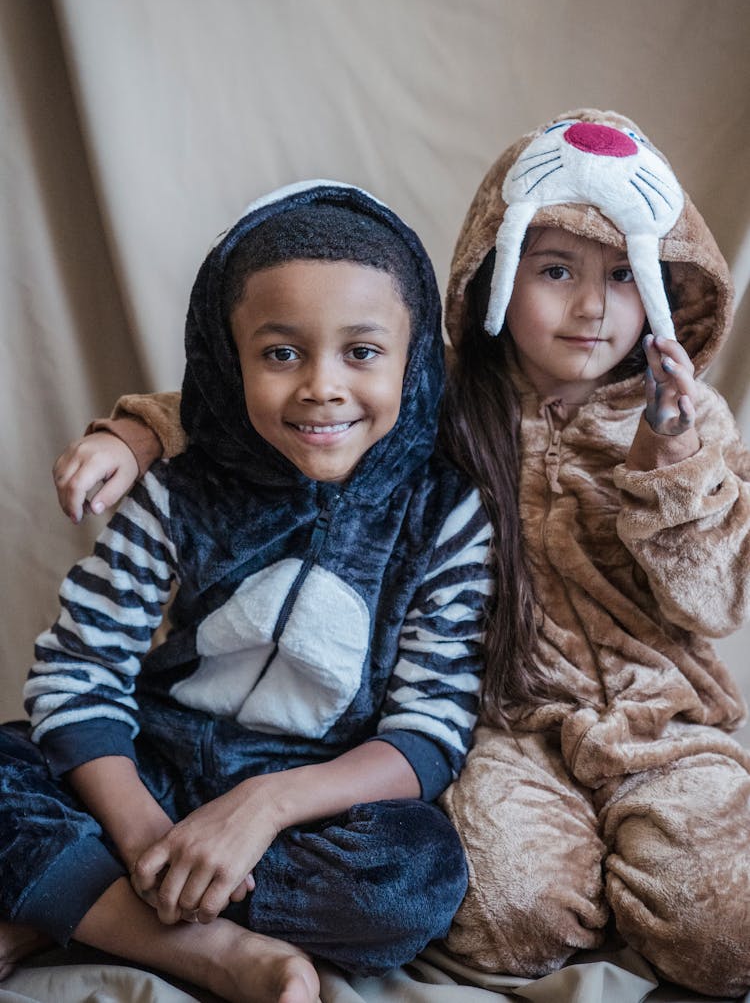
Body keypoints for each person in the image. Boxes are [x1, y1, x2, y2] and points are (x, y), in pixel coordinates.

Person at [53, 111, 750, 999]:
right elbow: (278, 395)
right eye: (554, 270)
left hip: (663, 723)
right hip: (504, 723)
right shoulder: (445, 393)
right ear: (496, 272)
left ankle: (77, 894)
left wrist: (674, 461)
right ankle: (154, 906)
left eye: (623, 275)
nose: (591, 305)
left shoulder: (689, 417)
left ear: (665, 282)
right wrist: (135, 432)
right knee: (504, 918)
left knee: (726, 933)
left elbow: (714, 599)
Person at [0, 180, 494, 1003]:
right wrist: (150, 834)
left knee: (417, 877)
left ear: (415, 363)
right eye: (281, 353)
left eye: (362, 352)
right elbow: (76, 678)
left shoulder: (445, 516)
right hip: (150, 768)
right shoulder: (178, 491)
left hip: (311, 805)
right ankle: (204, 947)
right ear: (231, 361)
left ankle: (74, 902)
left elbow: (430, 731)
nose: (322, 386)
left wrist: (264, 805)